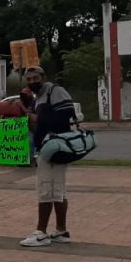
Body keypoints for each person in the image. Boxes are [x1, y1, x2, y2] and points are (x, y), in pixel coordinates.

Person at [20, 66, 77, 247]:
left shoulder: (55, 91)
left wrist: (38, 119)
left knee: (46, 189)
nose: (32, 82)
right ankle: (61, 231)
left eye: (35, 78)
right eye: (29, 79)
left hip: (55, 146)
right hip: (47, 147)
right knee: (58, 191)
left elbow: (66, 116)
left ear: (43, 77)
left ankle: (41, 233)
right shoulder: (39, 97)